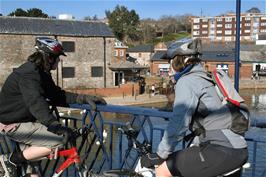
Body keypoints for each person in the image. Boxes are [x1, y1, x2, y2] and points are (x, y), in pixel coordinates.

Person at [0, 37, 106, 177]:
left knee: (33, 172)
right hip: (13, 123)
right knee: (57, 141)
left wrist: (82, 98)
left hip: (22, 121)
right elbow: (35, 102)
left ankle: (17, 162)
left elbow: (56, 95)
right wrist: (54, 125)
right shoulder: (29, 74)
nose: (59, 61)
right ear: (49, 58)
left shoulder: (41, 73)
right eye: (57, 57)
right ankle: (10, 160)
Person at [141, 39, 248, 177]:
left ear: (181, 61)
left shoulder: (187, 81)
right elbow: (208, 122)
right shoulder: (205, 77)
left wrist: (161, 155)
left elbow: (179, 122)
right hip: (237, 150)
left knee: (162, 170)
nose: (169, 66)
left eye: (171, 61)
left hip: (222, 150)